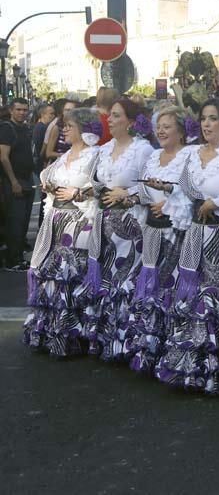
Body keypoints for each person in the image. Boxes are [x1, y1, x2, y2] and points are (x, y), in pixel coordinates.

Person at [155, 98, 219, 394]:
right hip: (197, 234)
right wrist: (167, 189)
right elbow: (186, 190)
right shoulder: (194, 153)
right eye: (203, 119)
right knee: (194, 296)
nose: (207, 124)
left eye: (213, 119)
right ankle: (198, 367)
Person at [78, 98, 154, 360]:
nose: (109, 120)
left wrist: (127, 192)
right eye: (109, 115)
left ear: (131, 122)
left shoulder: (143, 150)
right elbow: (96, 181)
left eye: (116, 115)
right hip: (104, 224)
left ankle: (129, 342)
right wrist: (91, 190)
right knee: (106, 279)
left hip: (131, 225)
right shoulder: (104, 148)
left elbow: (150, 186)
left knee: (127, 280)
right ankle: (107, 339)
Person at [23, 108, 101, 356]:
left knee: (72, 276)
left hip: (78, 223)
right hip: (55, 221)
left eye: (69, 125)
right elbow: (51, 180)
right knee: (53, 277)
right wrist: (49, 186)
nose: (64, 130)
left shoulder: (95, 155)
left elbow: (100, 186)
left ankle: (74, 335)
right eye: (63, 125)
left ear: (83, 128)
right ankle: (52, 332)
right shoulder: (64, 155)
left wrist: (77, 193)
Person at [126, 106, 196, 374]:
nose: (161, 130)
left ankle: (176, 349)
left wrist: (168, 201)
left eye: (167, 125)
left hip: (178, 233)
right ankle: (152, 348)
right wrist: (132, 197)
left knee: (174, 288)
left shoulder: (190, 155)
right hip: (153, 233)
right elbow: (144, 189)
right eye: (159, 126)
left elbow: (194, 190)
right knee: (151, 288)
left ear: (181, 129)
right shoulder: (154, 156)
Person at [0, 98, 35, 271]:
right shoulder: (7, 128)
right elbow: (3, 156)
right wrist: (13, 181)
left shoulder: (26, 128)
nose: (22, 112)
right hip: (14, 181)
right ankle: (12, 260)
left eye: (24, 110)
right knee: (15, 221)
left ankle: (19, 256)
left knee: (23, 222)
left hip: (27, 179)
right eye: (19, 109)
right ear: (11, 111)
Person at [43, 99, 79, 166]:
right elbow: (48, 153)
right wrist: (66, 155)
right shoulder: (57, 128)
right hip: (58, 167)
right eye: (66, 110)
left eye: (71, 110)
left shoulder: (80, 129)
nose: (68, 113)